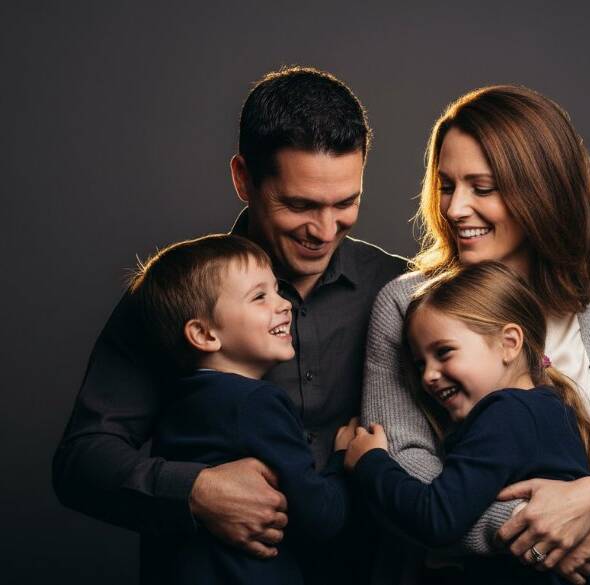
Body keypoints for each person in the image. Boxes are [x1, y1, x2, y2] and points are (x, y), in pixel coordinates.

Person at [52, 67, 406, 582]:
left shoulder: (399, 290)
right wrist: (196, 491)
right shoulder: (181, 297)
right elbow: (81, 462)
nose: (325, 230)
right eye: (300, 204)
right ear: (243, 178)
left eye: (345, 203)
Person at [362, 85, 590, 584]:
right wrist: (544, 531)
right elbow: (405, 467)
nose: (456, 209)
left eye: (482, 188)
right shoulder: (407, 305)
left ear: (541, 191)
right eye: (446, 185)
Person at [347, 262, 590, 584]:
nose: (428, 376)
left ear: (510, 342)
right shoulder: (549, 406)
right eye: (420, 363)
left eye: (444, 352)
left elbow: (437, 518)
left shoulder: (505, 415)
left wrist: (369, 462)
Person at [130, 233, 359, 584]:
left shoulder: (181, 398)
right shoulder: (257, 403)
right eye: (259, 297)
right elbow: (320, 516)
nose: (284, 304)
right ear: (205, 335)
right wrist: (343, 458)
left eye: (277, 290)